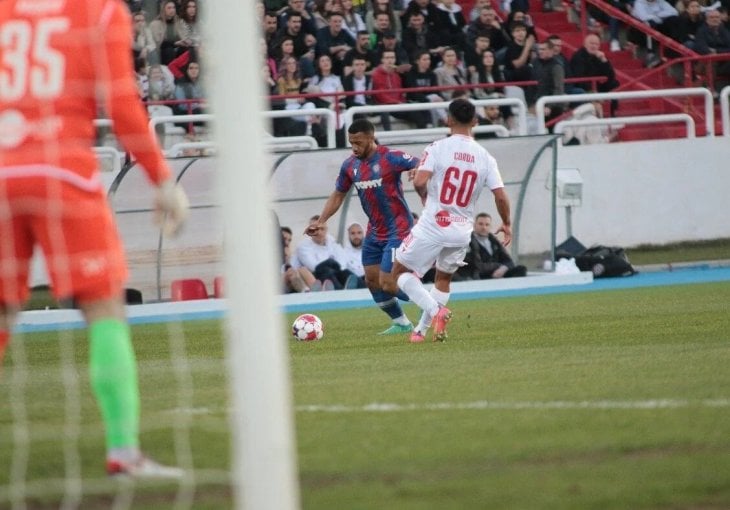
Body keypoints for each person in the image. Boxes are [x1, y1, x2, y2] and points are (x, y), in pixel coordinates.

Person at [0, 0, 188, 477]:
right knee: (104, 306)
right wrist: (162, 180)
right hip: (63, 174)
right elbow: (122, 101)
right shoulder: (99, 12)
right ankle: (124, 451)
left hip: (3, 170)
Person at [387, 99, 512, 343]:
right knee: (443, 278)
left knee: (399, 272)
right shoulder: (486, 157)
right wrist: (506, 223)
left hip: (434, 223)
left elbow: (420, 181)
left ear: (448, 119)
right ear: (475, 122)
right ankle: (421, 332)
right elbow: (500, 195)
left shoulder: (437, 147)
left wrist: (425, 198)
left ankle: (436, 312)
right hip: (462, 230)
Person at [305, 119, 420, 335]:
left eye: (358, 142)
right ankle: (402, 323)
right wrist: (321, 220)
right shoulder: (350, 165)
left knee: (388, 282)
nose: (354, 147)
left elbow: (419, 161)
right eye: (351, 142)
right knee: (372, 281)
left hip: (399, 229)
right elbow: (338, 194)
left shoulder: (391, 157)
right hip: (375, 232)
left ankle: (431, 305)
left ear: (370, 137)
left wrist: (417, 169)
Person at [456, 213, 527, 280]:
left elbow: (509, 261)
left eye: (487, 225)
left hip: (497, 272)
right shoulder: (468, 241)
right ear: (474, 225)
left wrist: (503, 269)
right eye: (480, 224)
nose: (484, 227)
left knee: (521, 269)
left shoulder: (493, 241)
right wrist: (499, 266)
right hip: (479, 275)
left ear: (490, 226)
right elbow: (478, 266)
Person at [343, 223, 367, 288]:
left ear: (363, 234)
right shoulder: (343, 252)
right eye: (353, 233)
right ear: (348, 235)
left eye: (359, 233)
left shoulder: (371, 251)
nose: (356, 236)